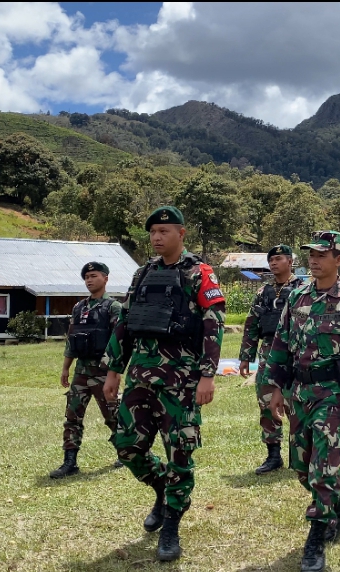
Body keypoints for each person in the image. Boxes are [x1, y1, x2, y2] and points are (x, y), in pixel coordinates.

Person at [101, 206, 225, 562]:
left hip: (182, 381)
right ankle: (161, 487)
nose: (157, 238)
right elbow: (125, 323)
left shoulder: (199, 273)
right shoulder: (142, 274)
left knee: (180, 454)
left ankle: (171, 524)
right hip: (141, 376)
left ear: (181, 234)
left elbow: (212, 326)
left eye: (164, 231)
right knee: (127, 446)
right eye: (153, 231)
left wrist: (207, 375)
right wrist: (114, 370)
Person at [264, 230, 340, 572]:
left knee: (323, 466)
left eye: (322, 254)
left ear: (339, 260)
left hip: (334, 395)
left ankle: (316, 536)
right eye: (311, 253)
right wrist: (276, 388)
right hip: (300, 392)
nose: (314, 259)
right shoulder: (296, 296)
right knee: (301, 466)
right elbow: (281, 345)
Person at [50, 262, 124, 479]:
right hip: (81, 372)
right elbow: (71, 339)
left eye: (94, 276)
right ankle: (69, 462)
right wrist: (66, 367)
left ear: (105, 278)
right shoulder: (78, 307)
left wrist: (115, 371)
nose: (89, 280)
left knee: (113, 415)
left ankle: (127, 453)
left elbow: (118, 341)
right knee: (72, 417)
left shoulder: (113, 307)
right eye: (86, 277)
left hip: (103, 372)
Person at [238, 245, 304, 474]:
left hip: (295, 353)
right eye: (271, 260)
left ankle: (302, 454)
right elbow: (251, 324)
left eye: (278, 259)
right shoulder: (263, 292)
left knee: (297, 404)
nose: (274, 263)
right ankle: (273, 455)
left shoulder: (303, 288)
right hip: (267, 352)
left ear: (290, 261)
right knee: (266, 403)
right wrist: (246, 356)